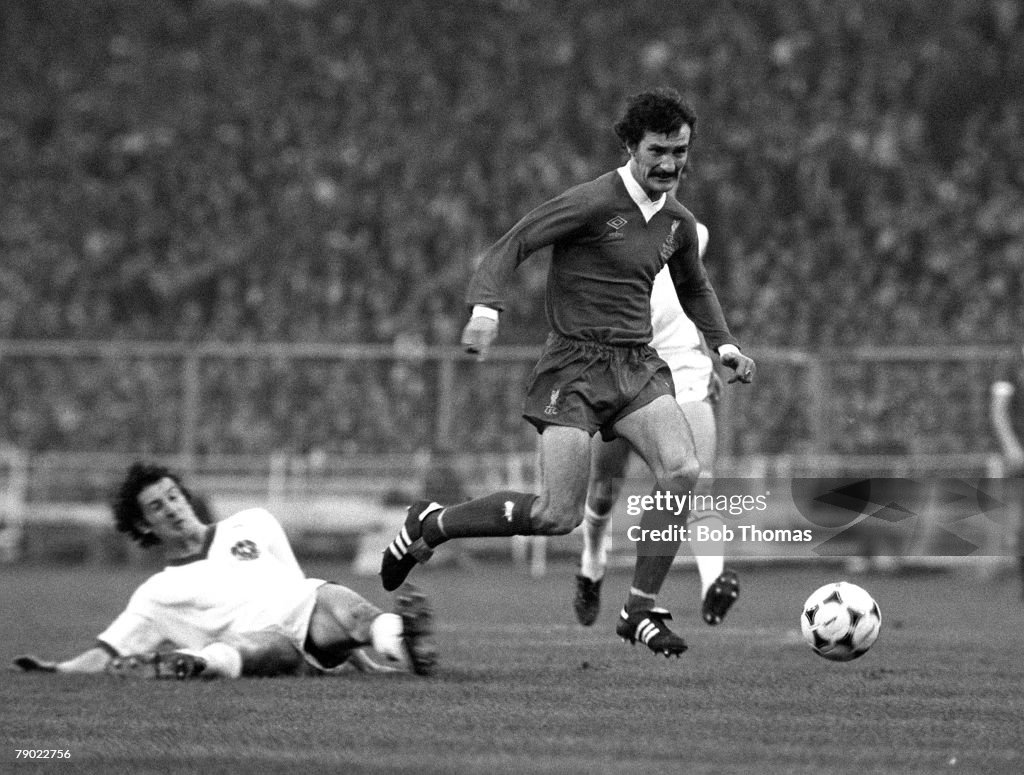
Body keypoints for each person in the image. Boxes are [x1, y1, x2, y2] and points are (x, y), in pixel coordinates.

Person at [380, 87, 755, 657]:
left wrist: (724, 346)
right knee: (557, 516)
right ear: (631, 146)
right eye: (658, 150)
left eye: (681, 152)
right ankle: (433, 524)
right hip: (574, 368)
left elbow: (694, 284)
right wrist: (486, 308)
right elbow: (515, 243)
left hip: (635, 367)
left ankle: (637, 608)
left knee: (682, 470)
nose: (670, 164)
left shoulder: (677, 221)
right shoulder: (593, 202)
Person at [13, 462, 436, 679]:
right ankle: (191, 665)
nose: (173, 509)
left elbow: (302, 589)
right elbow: (109, 652)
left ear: (185, 495)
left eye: (173, 496)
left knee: (342, 602)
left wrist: (365, 666)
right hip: (270, 646)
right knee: (254, 647)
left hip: (306, 617)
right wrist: (58, 670)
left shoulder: (254, 522)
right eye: (158, 507)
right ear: (145, 526)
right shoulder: (157, 593)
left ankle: (401, 642)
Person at [573, 220, 740, 629]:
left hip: (682, 368)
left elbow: (692, 294)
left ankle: (713, 583)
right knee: (604, 488)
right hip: (624, 369)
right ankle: (593, 560)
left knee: (697, 478)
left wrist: (706, 353)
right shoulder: (605, 231)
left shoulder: (692, 231)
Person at [990, 345, 1024, 598]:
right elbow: (998, 410)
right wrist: (1012, 447)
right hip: (1019, 456)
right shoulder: (1012, 363)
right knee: (1015, 521)